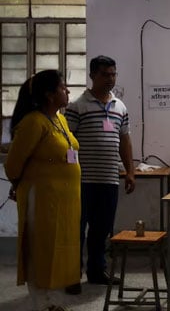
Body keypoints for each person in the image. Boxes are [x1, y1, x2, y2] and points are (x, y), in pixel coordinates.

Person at [4, 70, 81, 311]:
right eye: (62, 87)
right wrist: (20, 184)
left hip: (64, 200)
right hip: (42, 200)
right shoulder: (33, 123)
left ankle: (54, 302)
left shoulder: (60, 120)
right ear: (49, 95)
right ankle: (42, 303)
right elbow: (12, 166)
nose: (67, 91)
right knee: (42, 250)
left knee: (60, 250)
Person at [64, 55, 136, 292]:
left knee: (102, 229)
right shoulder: (77, 106)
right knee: (77, 229)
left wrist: (130, 171)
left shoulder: (120, 106)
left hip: (108, 179)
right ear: (93, 75)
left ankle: (97, 271)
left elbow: (124, 141)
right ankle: (72, 275)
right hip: (82, 180)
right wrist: (68, 173)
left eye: (113, 74)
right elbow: (67, 143)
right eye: (105, 74)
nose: (110, 79)